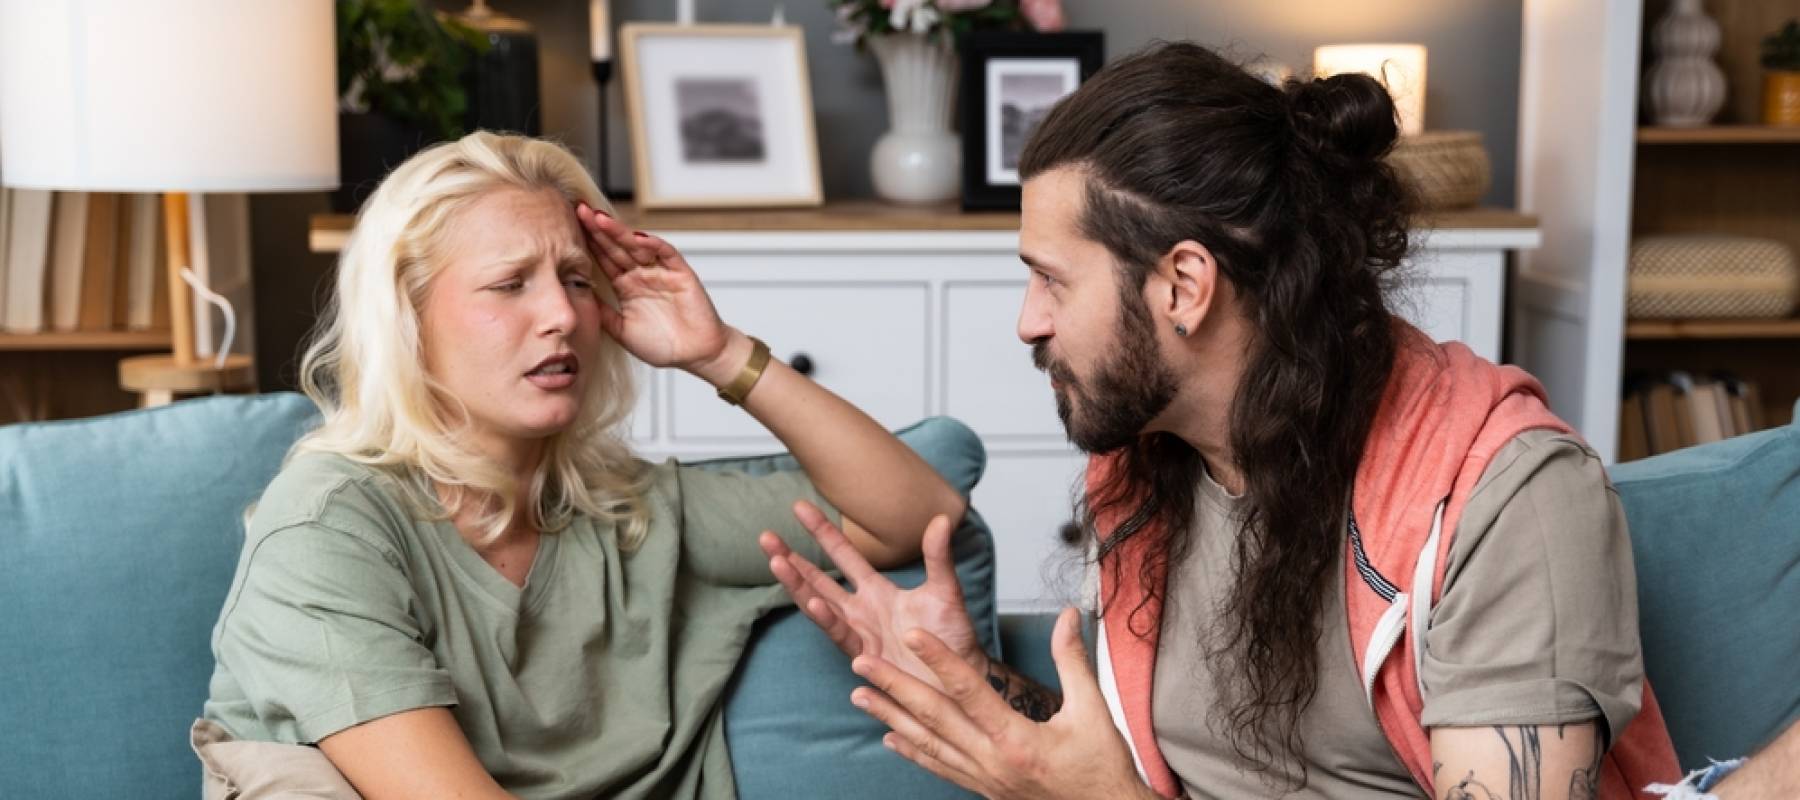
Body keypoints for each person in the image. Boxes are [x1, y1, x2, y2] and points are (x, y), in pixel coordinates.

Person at [758, 42, 1685, 799]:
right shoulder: (1149, 469)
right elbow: (1141, 765)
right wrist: (973, 679)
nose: (1028, 321)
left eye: (1052, 279)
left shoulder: (1507, 504)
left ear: (1183, 286)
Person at [195, 131, 966, 799]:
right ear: (407, 317)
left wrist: (721, 353)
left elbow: (915, 515)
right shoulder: (329, 526)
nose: (563, 316)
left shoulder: (623, 509)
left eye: (575, 279)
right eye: (509, 284)